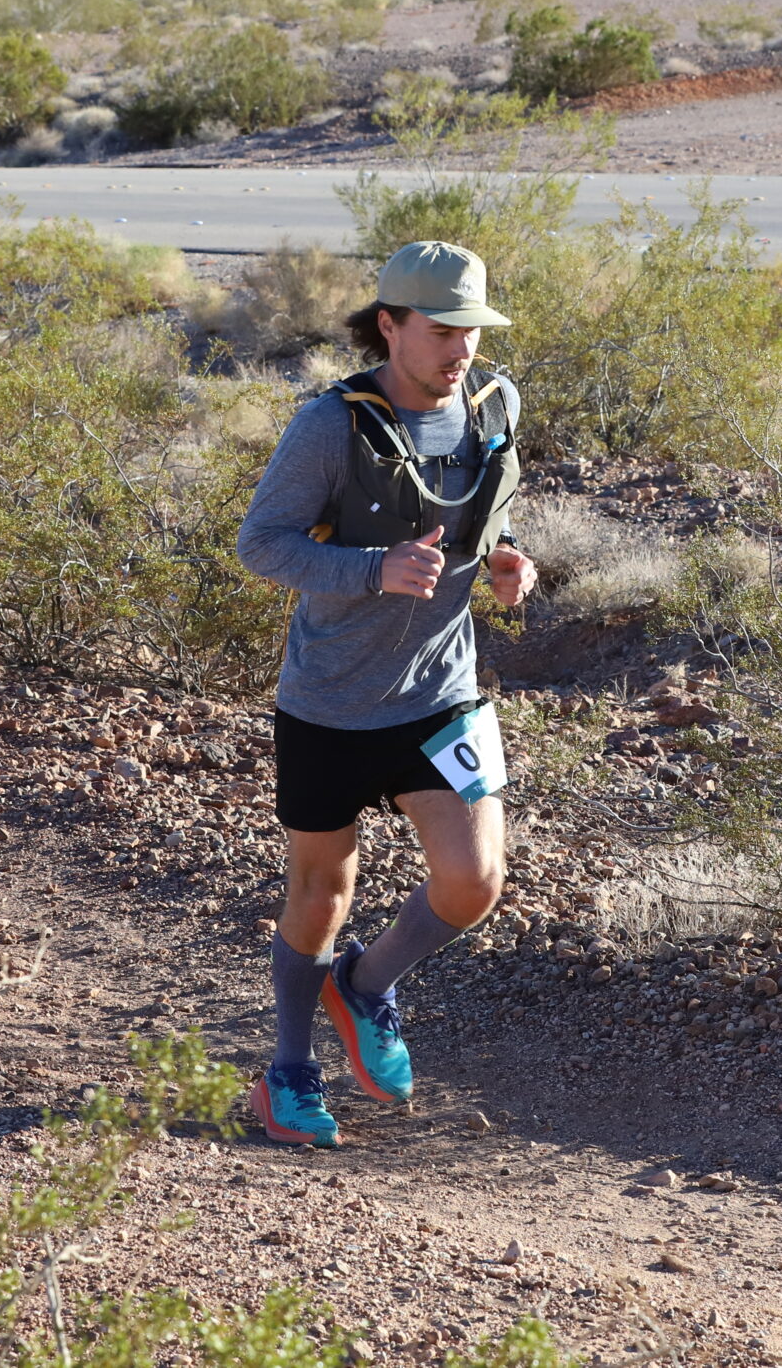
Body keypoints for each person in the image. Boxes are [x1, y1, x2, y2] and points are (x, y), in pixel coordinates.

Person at [234, 240, 539, 1147]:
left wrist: (511, 561)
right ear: (389, 324)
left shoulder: (495, 403)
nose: (461, 350)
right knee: (322, 889)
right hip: (329, 699)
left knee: (475, 878)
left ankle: (364, 985)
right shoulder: (332, 426)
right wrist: (372, 569)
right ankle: (287, 1074)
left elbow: (489, 511)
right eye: (442, 330)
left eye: (473, 331)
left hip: (442, 690)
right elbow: (262, 545)